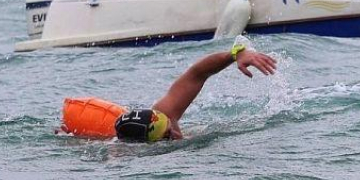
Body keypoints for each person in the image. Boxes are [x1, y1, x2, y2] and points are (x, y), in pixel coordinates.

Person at [60, 45, 277, 142]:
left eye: (169, 126)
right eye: (166, 136)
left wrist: (236, 54)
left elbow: (197, 73)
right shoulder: (125, 155)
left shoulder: (164, 114)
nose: (175, 133)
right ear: (146, 143)